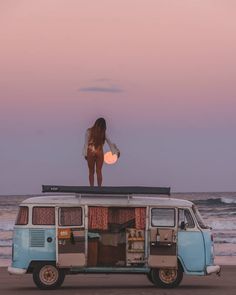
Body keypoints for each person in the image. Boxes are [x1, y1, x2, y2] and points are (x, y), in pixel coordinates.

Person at [83, 118, 120, 186]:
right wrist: (116, 151)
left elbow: (86, 143)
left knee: (91, 172)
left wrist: (85, 153)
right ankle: (99, 188)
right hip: (99, 151)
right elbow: (109, 142)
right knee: (99, 171)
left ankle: (91, 188)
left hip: (90, 151)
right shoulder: (103, 133)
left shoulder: (89, 131)